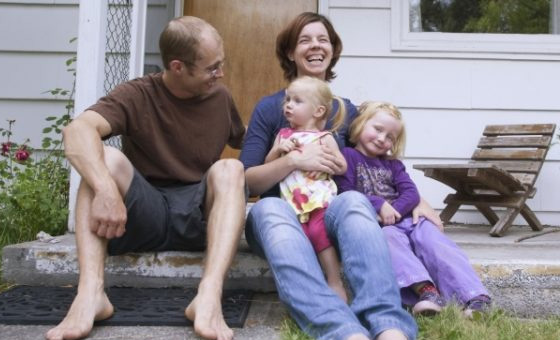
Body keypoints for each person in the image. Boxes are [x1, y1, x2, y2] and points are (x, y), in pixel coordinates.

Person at [240, 12, 444, 340]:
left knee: (352, 200)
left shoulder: (347, 112)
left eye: (323, 40)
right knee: (268, 209)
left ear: (333, 51)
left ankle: (388, 325)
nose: (315, 46)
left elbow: (380, 165)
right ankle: (342, 330)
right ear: (291, 52)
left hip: (327, 214)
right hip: (280, 216)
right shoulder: (270, 109)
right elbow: (248, 180)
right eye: (304, 40)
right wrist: (294, 159)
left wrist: (418, 199)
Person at [46, 16, 246, 340]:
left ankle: (208, 296)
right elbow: (77, 131)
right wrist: (106, 189)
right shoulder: (138, 93)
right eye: (212, 68)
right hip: (143, 212)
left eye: (220, 65)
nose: (220, 74)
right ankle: (90, 294)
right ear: (178, 67)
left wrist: (290, 146)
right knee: (104, 160)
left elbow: (246, 141)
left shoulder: (220, 97)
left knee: (231, 169)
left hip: (196, 216)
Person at [335, 101, 492, 317]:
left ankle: (474, 296)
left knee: (437, 242)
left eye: (390, 136)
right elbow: (346, 191)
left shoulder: (393, 165)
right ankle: (427, 293)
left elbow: (411, 193)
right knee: (388, 241)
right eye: (377, 129)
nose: (382, 139)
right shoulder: (347, 157)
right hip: (381, 226)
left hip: (411, 219)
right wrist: (380, 205)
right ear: (360, 124)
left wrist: (396, 211)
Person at [264, 75, 348, 302]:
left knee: (320, 236)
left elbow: (342, 166)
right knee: (299, 240)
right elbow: (267, 166)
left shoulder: (324, 137)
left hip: (320, 200)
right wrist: (279, 150)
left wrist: (325, 159)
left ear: (318, 111)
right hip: (292, 204)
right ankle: (312, 285)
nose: (288, 105)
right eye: (287, 100)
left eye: (297, 101)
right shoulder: (283, 136)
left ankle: (334, 280)